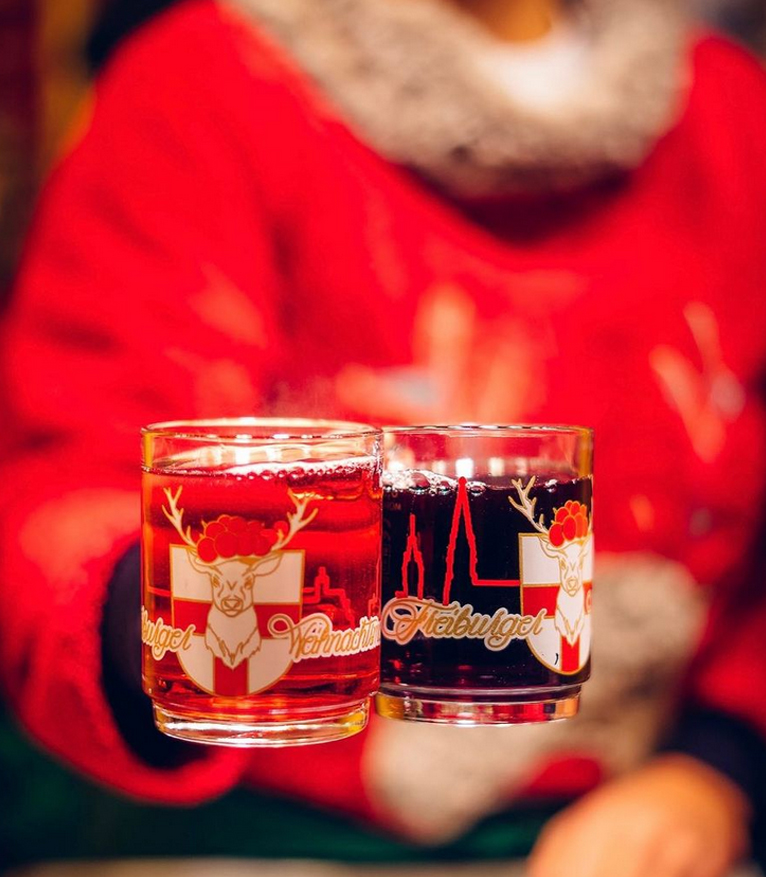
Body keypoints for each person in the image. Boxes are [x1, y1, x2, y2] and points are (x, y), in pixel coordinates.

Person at [1, 0, 766, 874]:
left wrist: (717, 763)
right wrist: (173, 600)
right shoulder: (208, 83)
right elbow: (70, 481)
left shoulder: (729, 114)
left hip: (639, 804)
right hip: (251, 818)